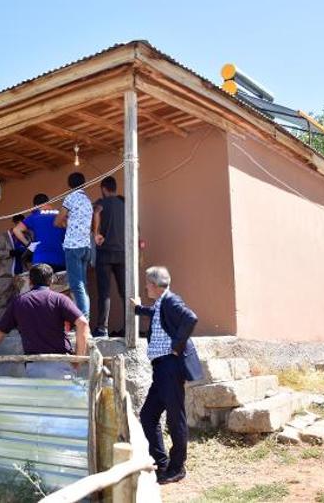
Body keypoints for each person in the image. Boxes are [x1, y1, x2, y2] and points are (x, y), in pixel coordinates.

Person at [131, 266, 203, 485]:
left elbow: (190, 318)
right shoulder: (163, 303)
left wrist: (177, 345)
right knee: (148, 416)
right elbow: (158, 316)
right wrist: (139, 309)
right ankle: (161, 463)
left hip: (170, 367)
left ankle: (177, 468)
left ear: (153, 285)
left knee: (175, 418)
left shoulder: (171, 300)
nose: (145, 287)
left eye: (147, 283)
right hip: (161, 369)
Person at [0, 264, 89, 378]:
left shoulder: (19, 302)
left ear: (30, 281)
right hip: (60, 365)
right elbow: (82, 323)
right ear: (51, 280)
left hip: (34, 366)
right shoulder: (60, 300)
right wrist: (78, 358)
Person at [55, 172, 93, 319]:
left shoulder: (70, 198)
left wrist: (65, 223)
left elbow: (58, 221)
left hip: (73, 246)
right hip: (86, 247)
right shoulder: (87, 201)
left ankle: (83, 319)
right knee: (83, 284)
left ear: (70, 185)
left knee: (76, 285)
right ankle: (84, 318)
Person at [93, 176, 125, 337]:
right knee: (125, 292)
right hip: (123, 254)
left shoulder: (100, 205)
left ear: (104, 188)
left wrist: (97, 233)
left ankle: (102, 329)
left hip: (105, 253)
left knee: (104, 292)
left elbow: (94, 222)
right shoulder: (125, 205)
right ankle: (129, 327)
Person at [14, 193, 65, 272]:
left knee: (42, 284)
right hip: (60, 258)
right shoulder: (60, 215)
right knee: (60, 284)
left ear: (36, 206)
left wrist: (28, 244)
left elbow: (16, 230)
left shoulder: (34, 216)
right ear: (48, 202)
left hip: (41, 258)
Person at [0, 214, 28, 320]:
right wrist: (10, 253)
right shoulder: (3, 237)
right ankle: (1, 329)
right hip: (6, 275)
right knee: (3, 303)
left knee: (23, 303)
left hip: (23, 275)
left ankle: (20, 330)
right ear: (15, 223)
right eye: (18, 223)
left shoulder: (27, 237)